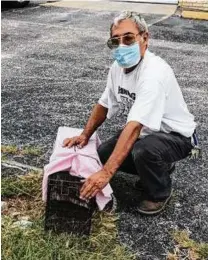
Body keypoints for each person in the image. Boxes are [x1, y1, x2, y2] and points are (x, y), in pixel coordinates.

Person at [63, 11, 196, 215]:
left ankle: (160, 192)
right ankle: (160, 167)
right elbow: (104, 104)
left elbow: (134, 126)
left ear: (145, 38)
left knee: (143, 151)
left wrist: (106, 174)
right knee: (103, 154)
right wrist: (84, 135)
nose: (122, 45)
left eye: (128, 38)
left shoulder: (153, 74)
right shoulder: (117, 68)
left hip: (176, 136)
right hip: (146, 132)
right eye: (115, 41)